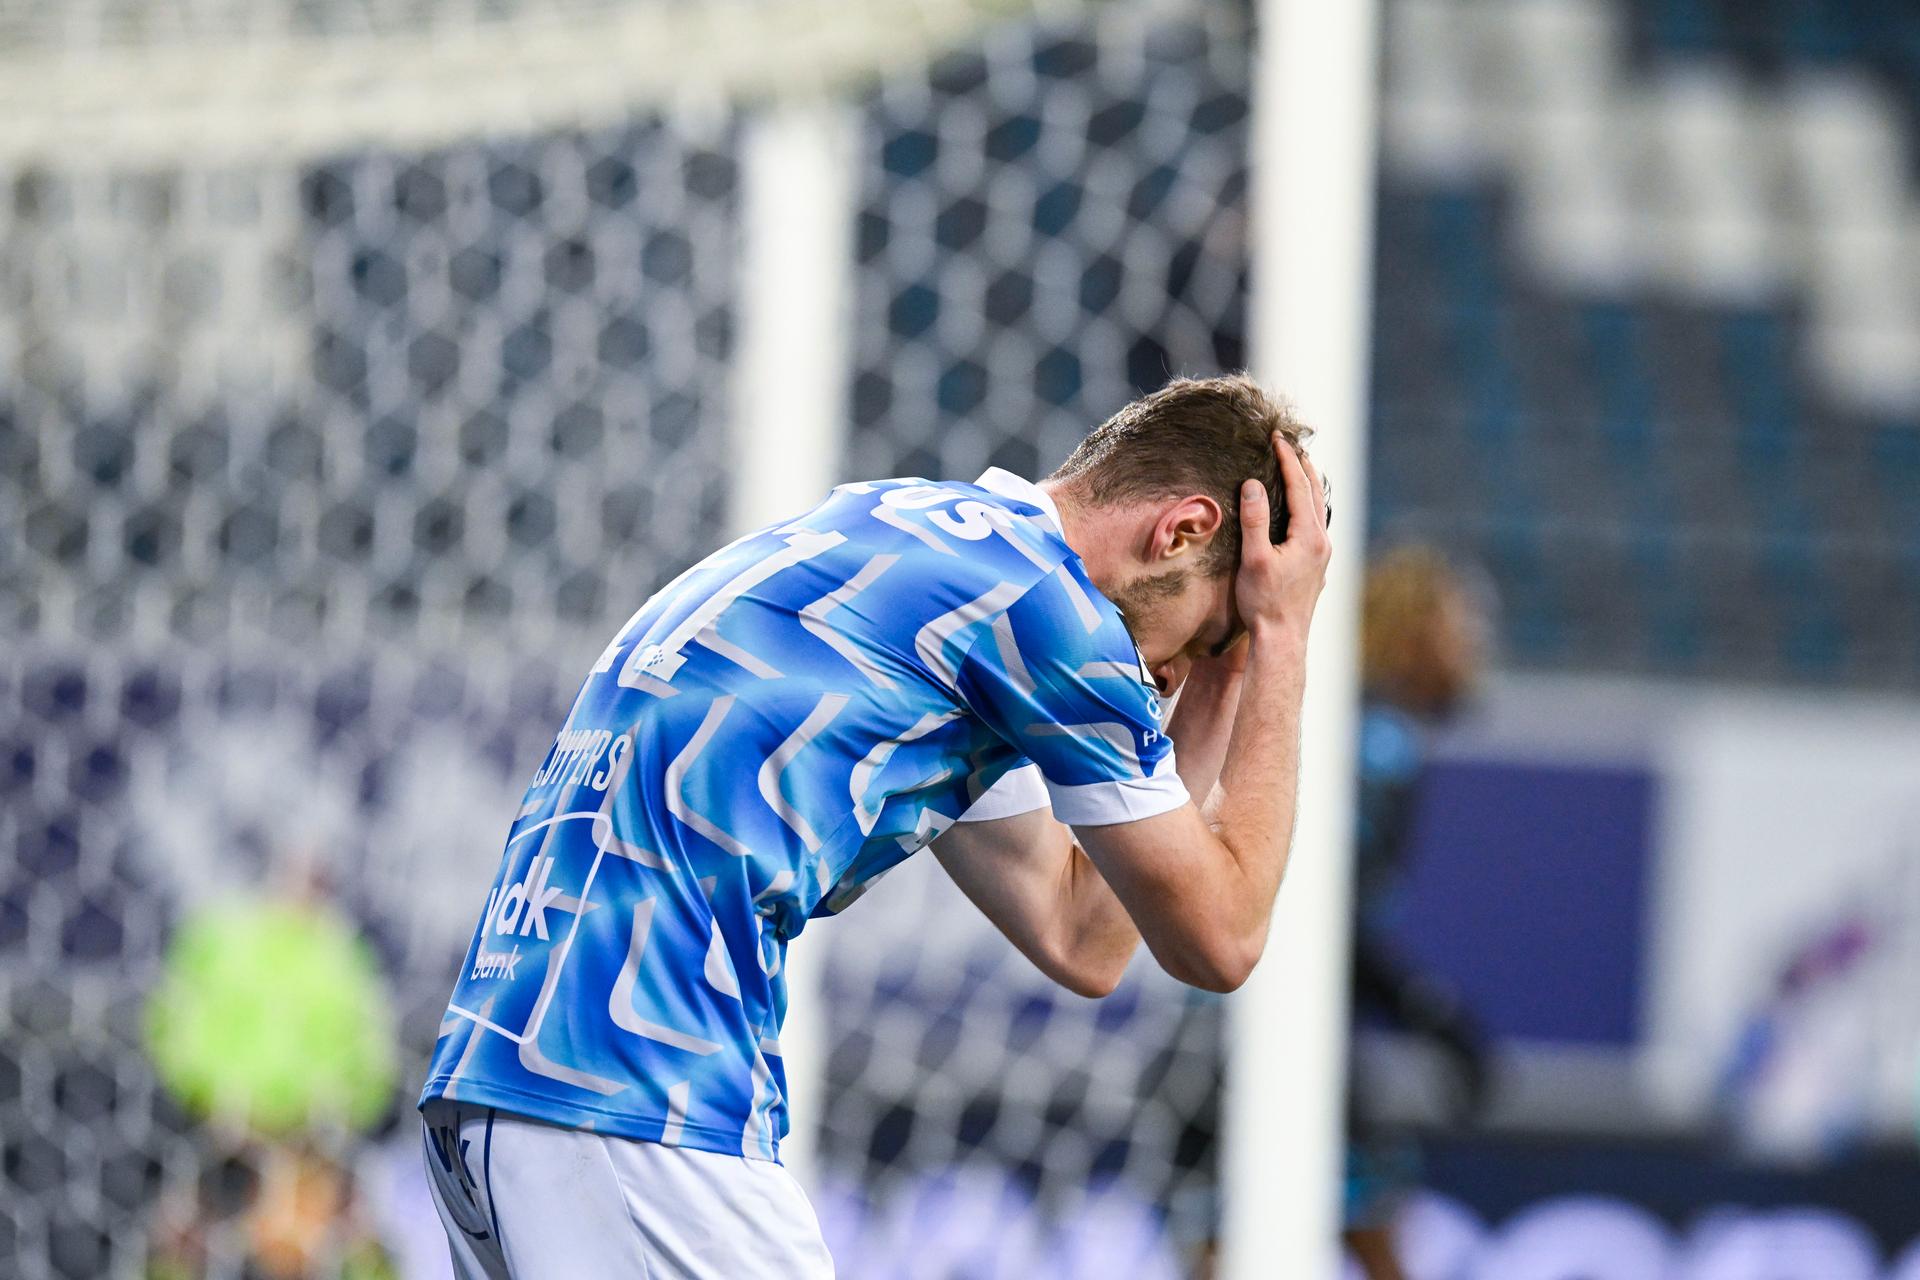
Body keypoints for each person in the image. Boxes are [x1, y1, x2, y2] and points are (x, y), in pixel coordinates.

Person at [418, 372, 1331, 1278]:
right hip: (634, 1093)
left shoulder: (910, 544)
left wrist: (1219, 657)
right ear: (1183, 530)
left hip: (505, 1085)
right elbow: (1221, 938)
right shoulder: (1047, 613)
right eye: (1209, 638)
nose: (1171, 677)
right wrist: (1277, 642)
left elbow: (1082, 935)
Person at [1343, 545, 1494, 1280]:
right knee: (1373, 1228)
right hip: (1270, 1034)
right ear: (1414, 636)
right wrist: (1429, 1011)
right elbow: (1325, 919)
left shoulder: (1363, 727)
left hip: (1215, 1025)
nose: (1476, 652)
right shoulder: (1381, 745)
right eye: (1461, 629)